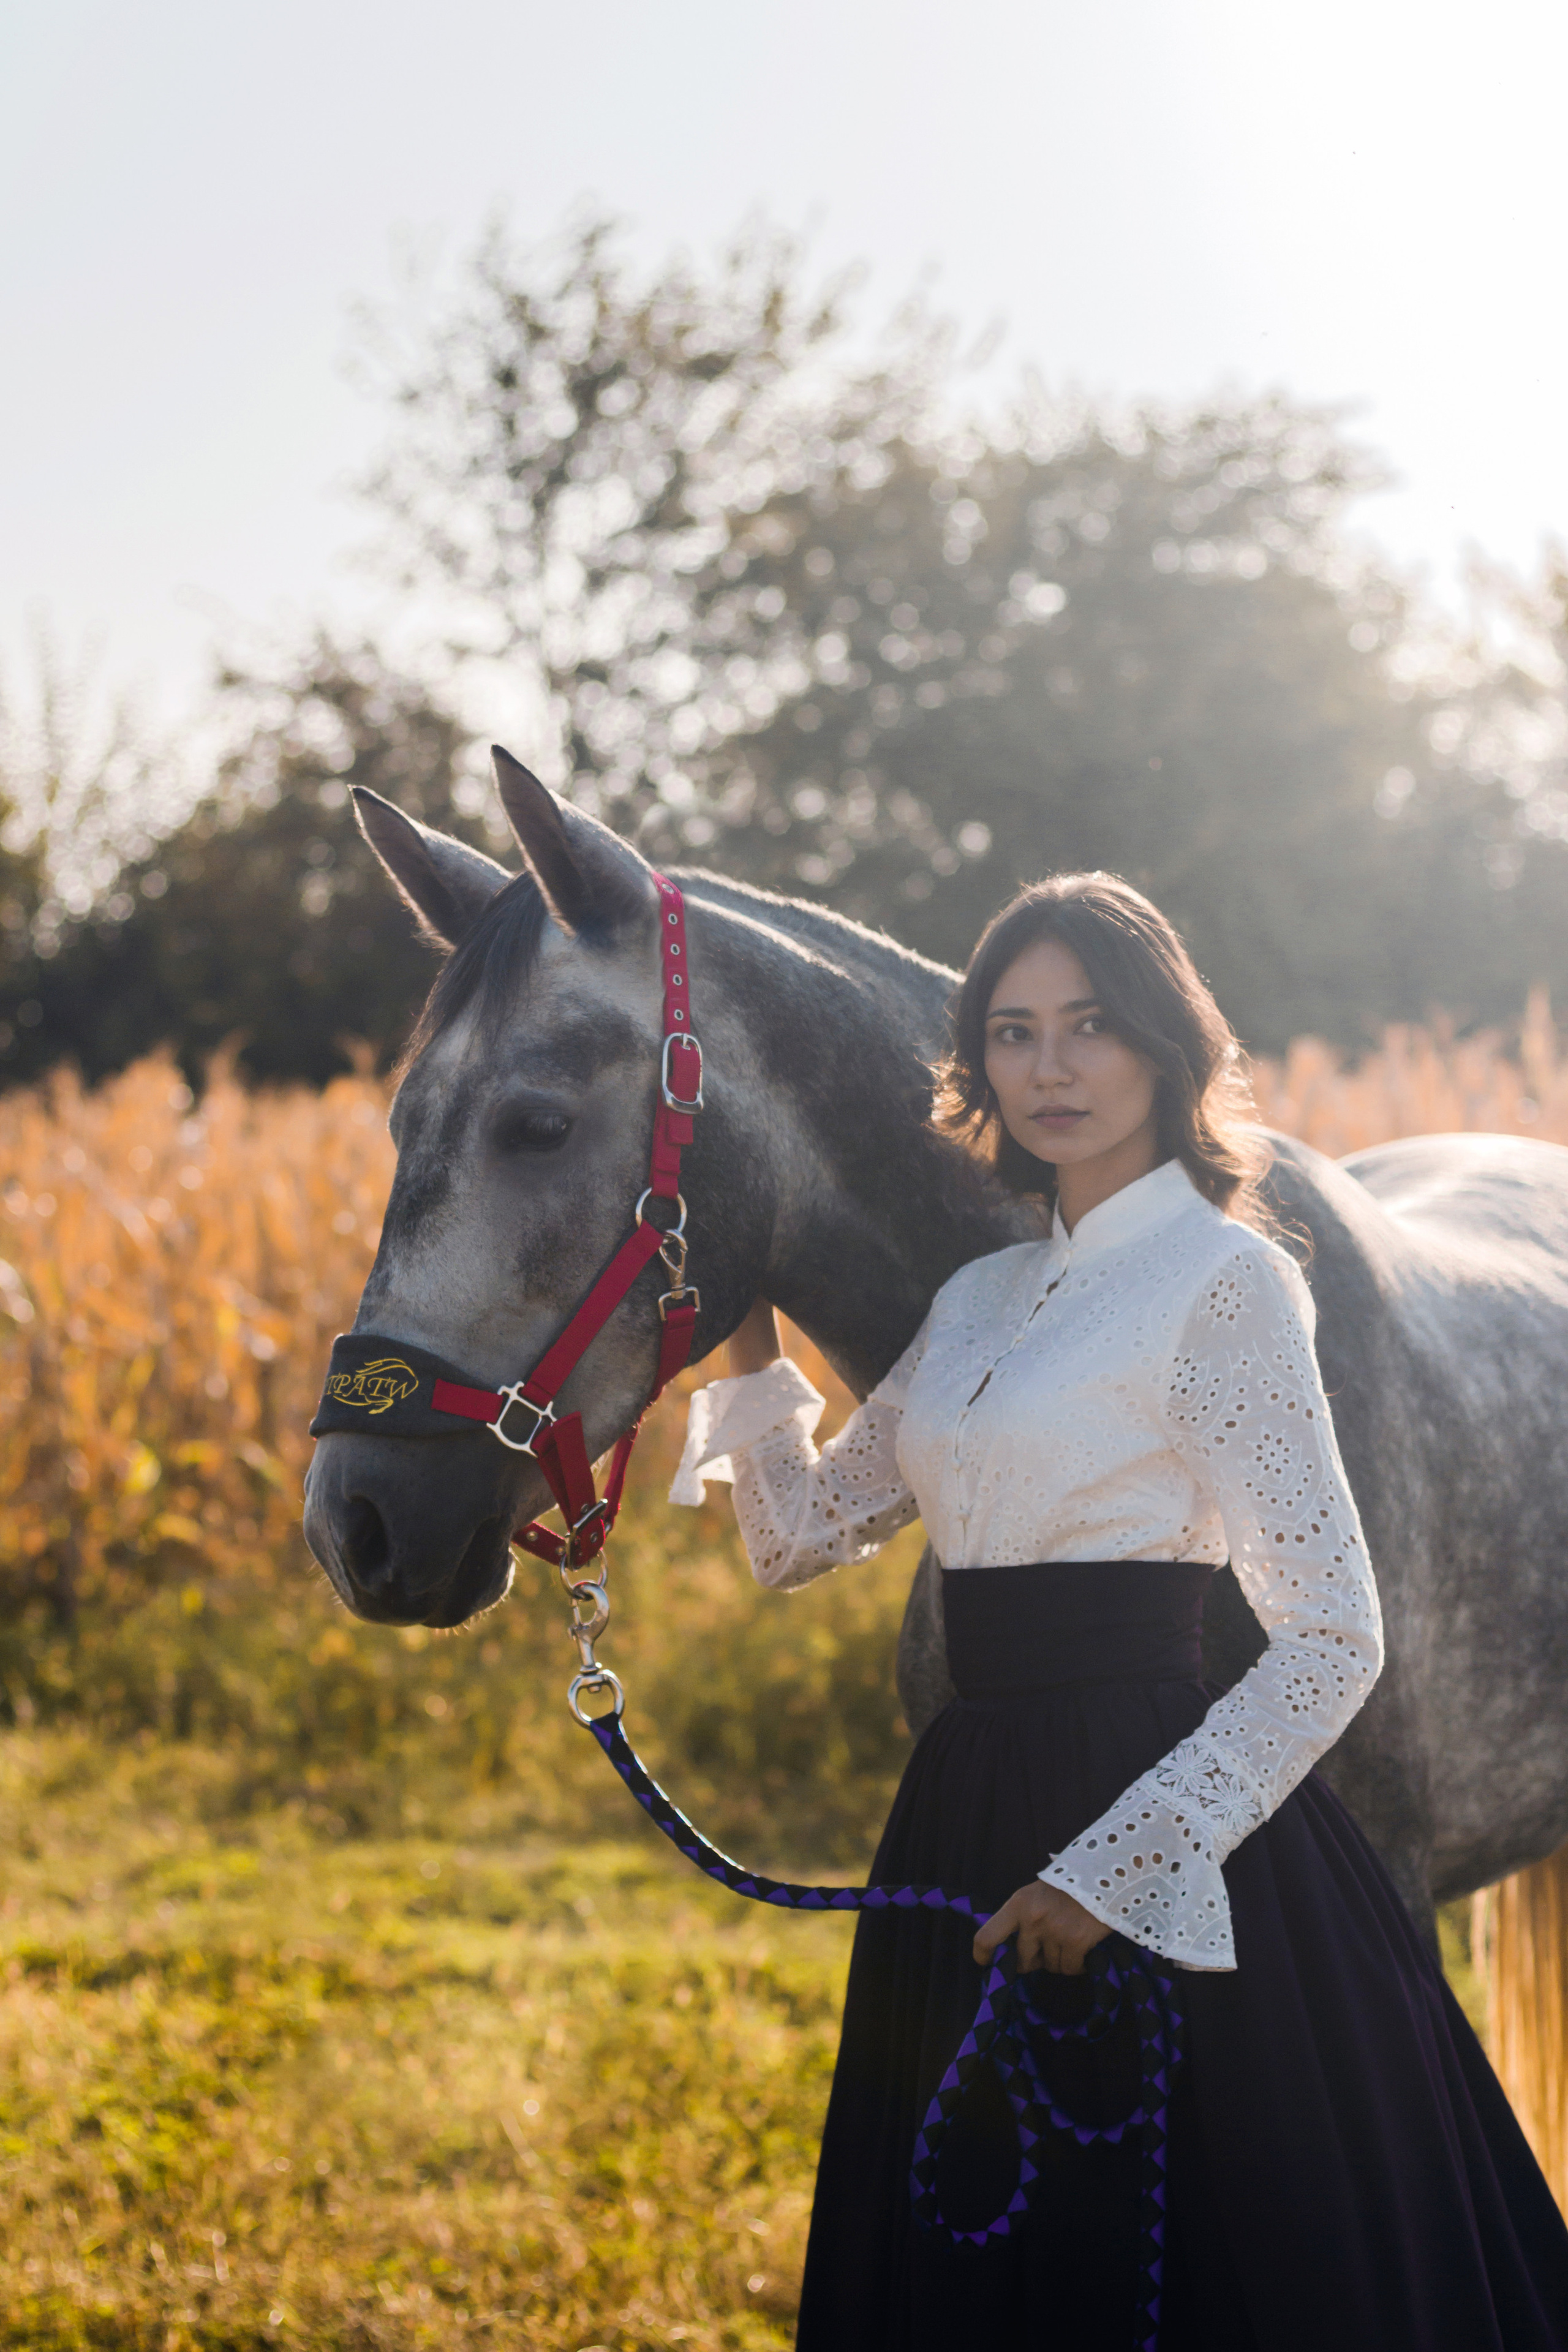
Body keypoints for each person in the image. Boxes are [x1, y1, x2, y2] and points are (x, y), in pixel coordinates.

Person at [669, 873, 1568, 2351]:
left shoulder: (1226, 1285)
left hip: (1161, 1825)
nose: (1051, 1067)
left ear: (1164, 1047)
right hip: (965, 1806)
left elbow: (1334, 1631)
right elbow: (793, 1534)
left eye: (1088, 1026)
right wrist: (744, 1308)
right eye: (1013, 1034)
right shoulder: (977, 1298)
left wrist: (1112, 1878)